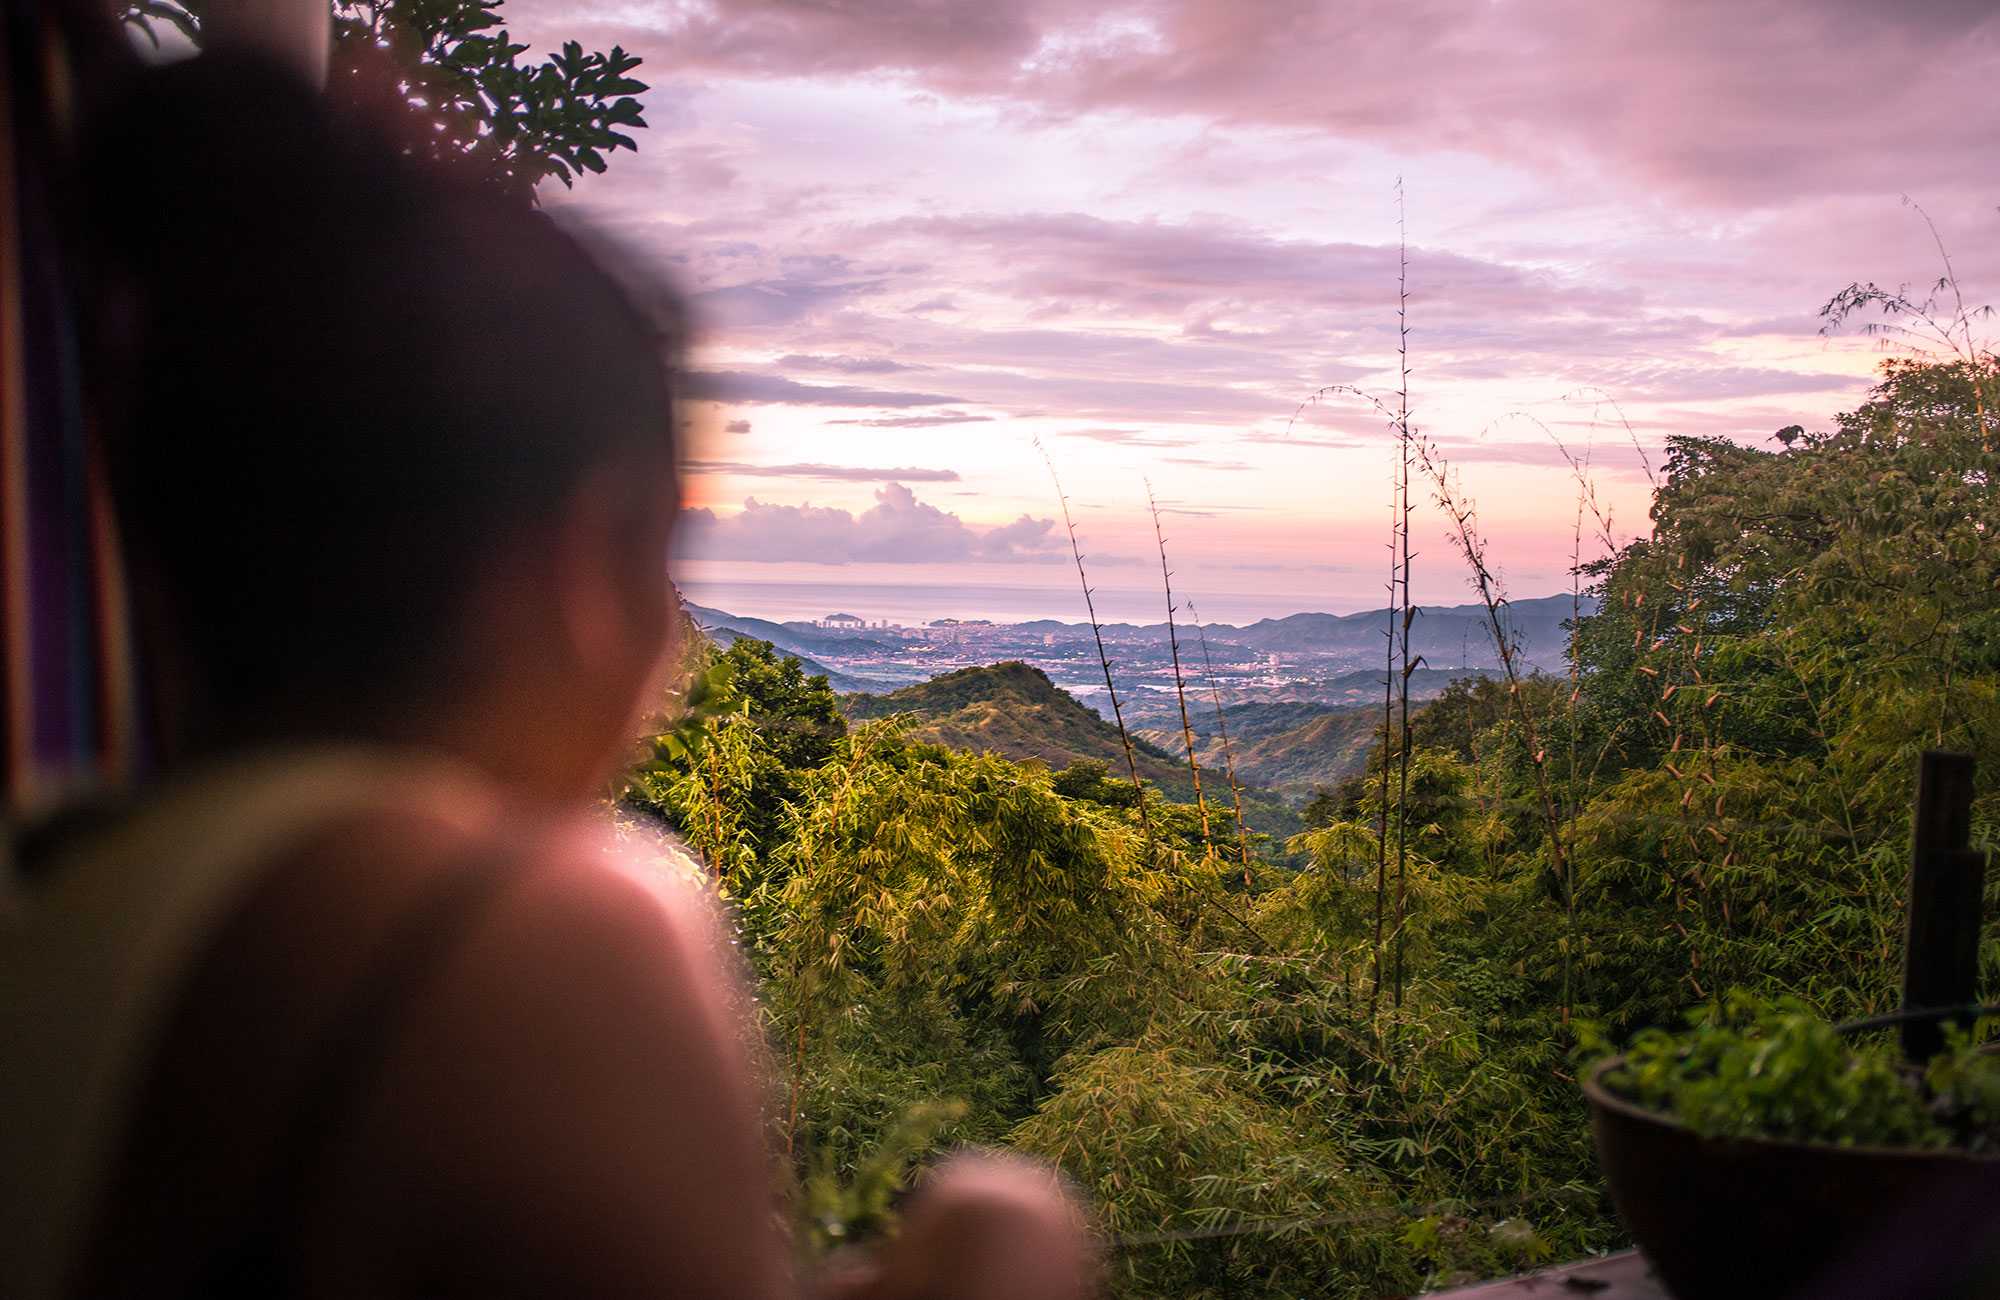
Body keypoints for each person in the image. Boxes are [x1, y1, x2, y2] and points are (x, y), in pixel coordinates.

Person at [0, 50, 1095, 1300]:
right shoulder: (506, 932)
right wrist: (1007, 1241)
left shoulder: (68, 895)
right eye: (666, 561)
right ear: (589, 554)